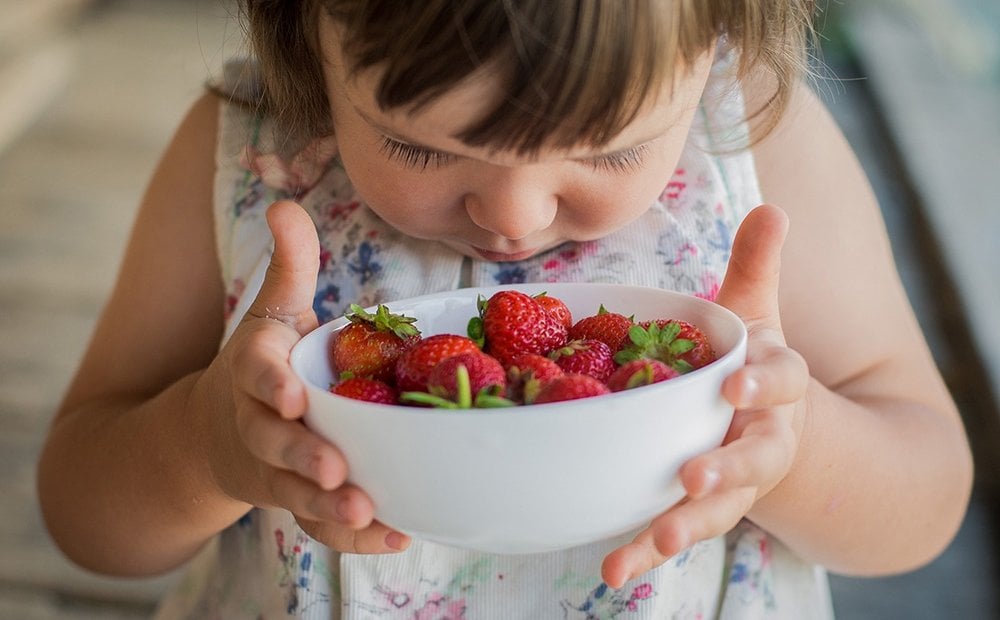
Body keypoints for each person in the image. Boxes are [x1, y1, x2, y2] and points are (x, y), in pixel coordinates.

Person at [37, 1, 973, 617]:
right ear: (306, 34)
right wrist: (208, 447)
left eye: (610, 151)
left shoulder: (756, 140)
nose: (515, 217)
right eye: (420, 148)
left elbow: (926, 507)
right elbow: (85, 516)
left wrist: (789, 448)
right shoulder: (250, 153)